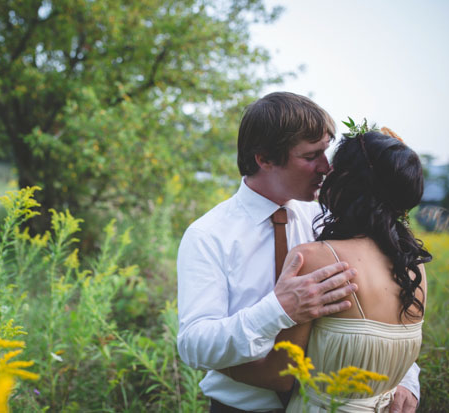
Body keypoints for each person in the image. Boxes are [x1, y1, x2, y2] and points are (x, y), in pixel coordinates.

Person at [176, 92, 421, 412]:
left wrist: (405, 380)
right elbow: (194, 346)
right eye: (311, 156)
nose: (326, 167)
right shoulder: (208, 235)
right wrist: (278, 308)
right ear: (264, 159)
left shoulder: (333, 220)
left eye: (326, 152)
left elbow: (378, 310)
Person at [224, 127, 430, 412]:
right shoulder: (413, 270)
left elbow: (281, 375)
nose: (325, 170)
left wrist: (218, 368)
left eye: (334, 166)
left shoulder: (315, 259)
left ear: (346, 181)